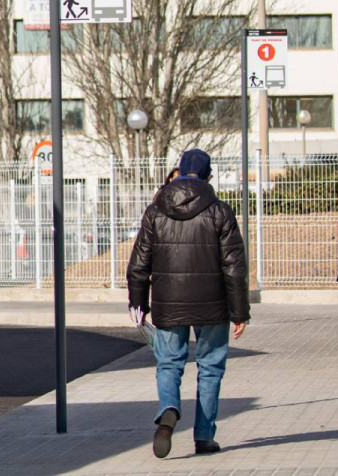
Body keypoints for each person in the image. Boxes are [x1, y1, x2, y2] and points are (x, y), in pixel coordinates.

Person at [127, 148, 249, 459]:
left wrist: (138, 304)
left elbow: (139, 264)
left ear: (178, 173)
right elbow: (234, 266)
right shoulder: (220, 211)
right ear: (209, 176)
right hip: (213, 305)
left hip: (169, 304)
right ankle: (205, 436)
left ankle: (169, 409)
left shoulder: (155, 211)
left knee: (169, 364)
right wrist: (240, 312)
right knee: (210, 368)